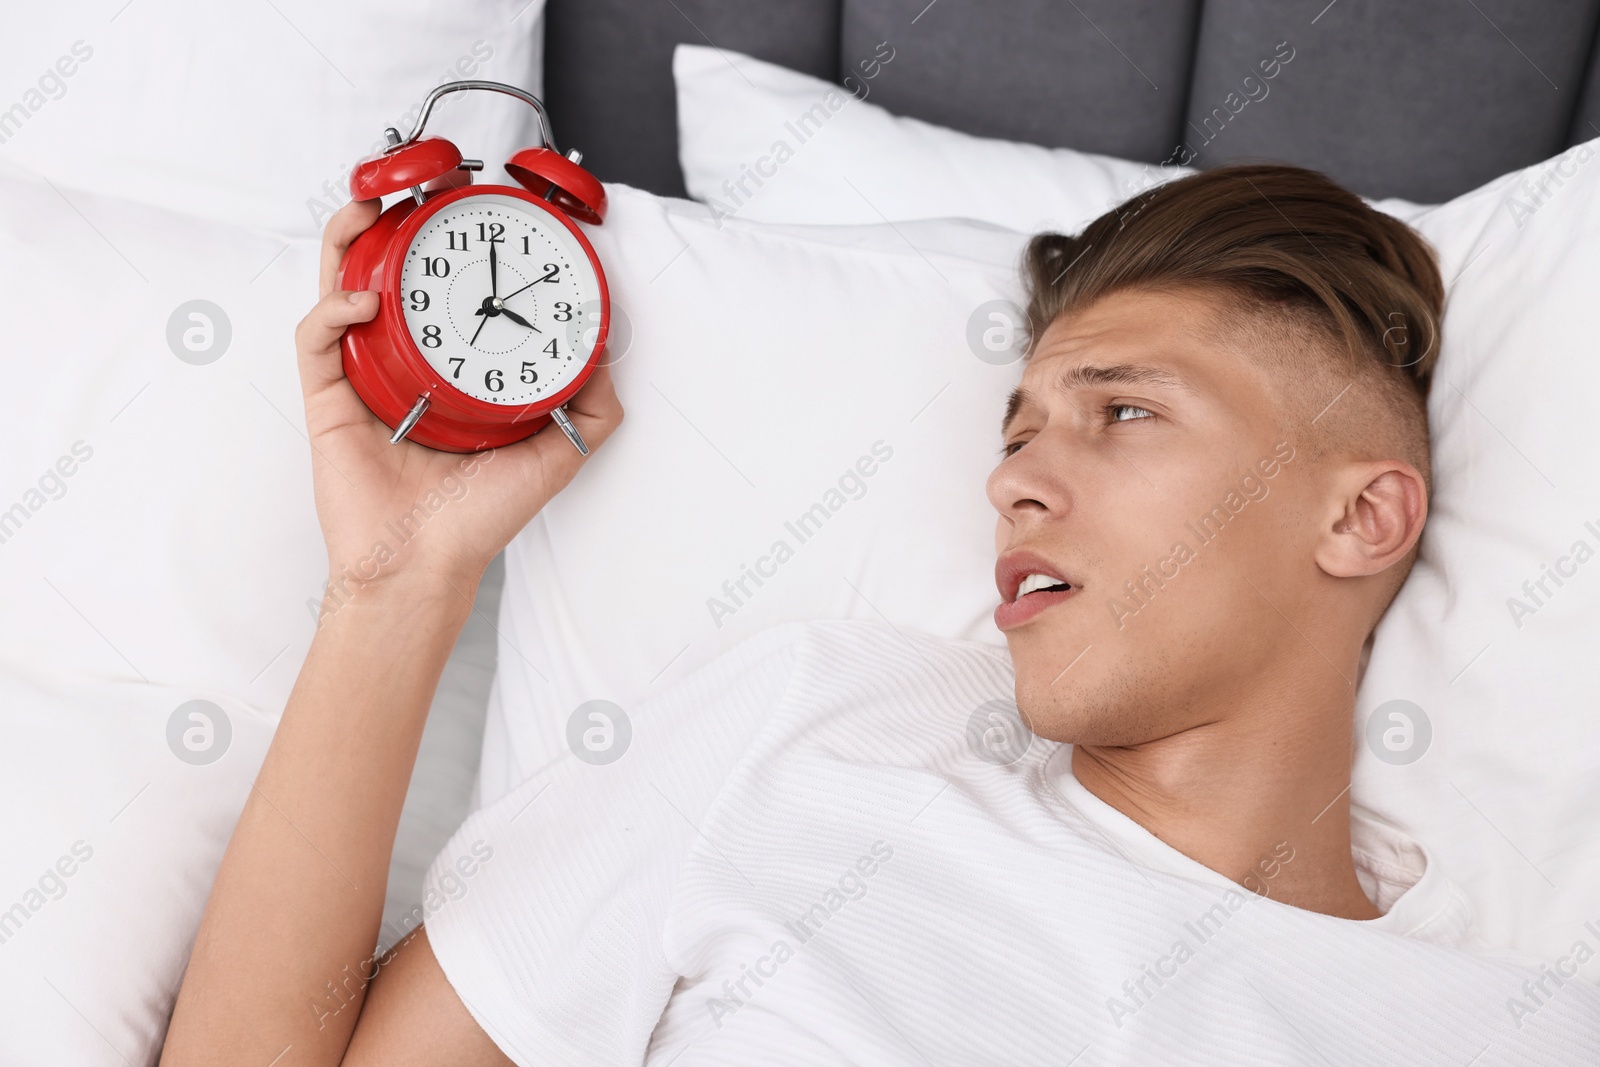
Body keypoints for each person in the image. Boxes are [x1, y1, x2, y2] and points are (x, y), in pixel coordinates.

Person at [160, 164, 1600, 1065]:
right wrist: (398, 582)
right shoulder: (814, 732)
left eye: (1125, 411)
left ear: (1361, 518)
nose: (1017, 477)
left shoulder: (1503, 1030)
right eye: (1020, 425)